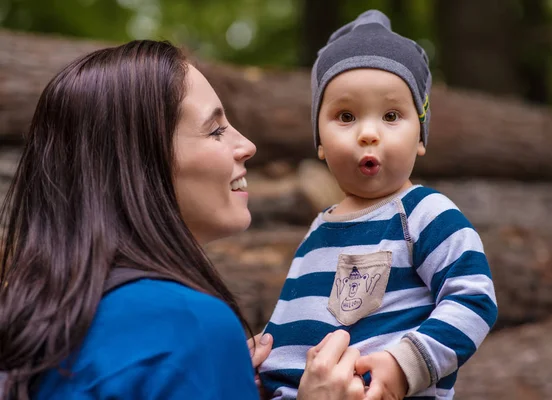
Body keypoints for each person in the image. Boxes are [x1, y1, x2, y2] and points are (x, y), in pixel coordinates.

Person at [0, 40, 366, 400]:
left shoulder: (34, 320)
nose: (247, 145)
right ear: (141, 165)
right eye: (216, 129)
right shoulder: (189, 325)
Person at [258, 9, 499, 400]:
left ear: (420, 135)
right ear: (318, 140)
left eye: (391, 115)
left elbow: (474, 297)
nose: (368, 133)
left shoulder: (424, 213)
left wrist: (406, 365)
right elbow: (290, 325)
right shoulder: (319, 229)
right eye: (346, 116)